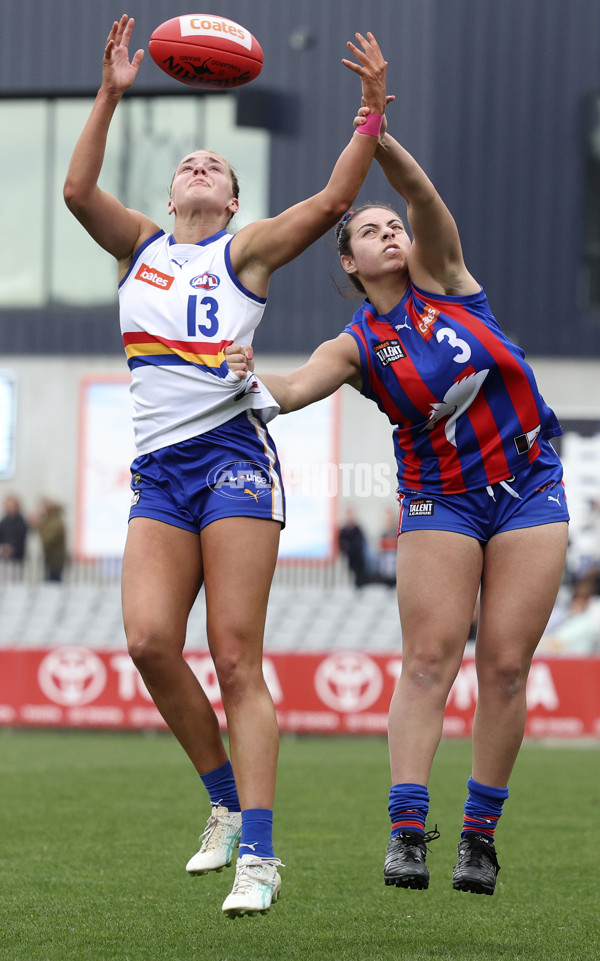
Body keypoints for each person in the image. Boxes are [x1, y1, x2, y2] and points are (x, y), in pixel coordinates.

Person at [63, 15, 389, 917]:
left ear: (234, 202)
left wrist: (367, 113)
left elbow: (328, 205)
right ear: (169, 196)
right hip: (160, 472)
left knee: (236, 657)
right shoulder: (140, 248)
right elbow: (76, 187)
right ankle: (219, 798)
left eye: (217, 167)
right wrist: (111, 94)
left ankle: (260, 853)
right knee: (147, 641)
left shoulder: (241, 252)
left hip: (234, 461)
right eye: (187, 166)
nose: (199, 167)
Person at [225, 85, 569, 896]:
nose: (390, 233)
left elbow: (423, 196)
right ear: (348, 262)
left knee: (509, 666)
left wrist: (375, 130)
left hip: (527, 482)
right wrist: (247, 378)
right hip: (441, 497)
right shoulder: (357, 344)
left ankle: (479, 837)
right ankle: (408, 828)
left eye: (393, 228)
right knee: (428, 659)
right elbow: (296, 385)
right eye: (371, 232)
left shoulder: (448, 278)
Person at [30, 498, 67, 582]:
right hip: (50, 560)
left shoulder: (56, 521)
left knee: (53, 586)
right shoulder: (49, 520)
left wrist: (38, 524)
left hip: (55, 561)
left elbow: (47, 538)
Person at [338, 506, 371, 587]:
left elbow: (358, 546)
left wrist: (348, 547)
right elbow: (341, 545)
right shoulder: (343, 531)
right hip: (347, 562)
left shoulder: (358, 530)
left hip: (359, 563)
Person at [0, 493, 28, 568]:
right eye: (6, 506)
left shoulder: (21, 521)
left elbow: (21, 539)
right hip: (4, 560)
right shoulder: (4, 521)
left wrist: (11, 549)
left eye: (10, 506)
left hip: (17, 561)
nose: (7, 508)